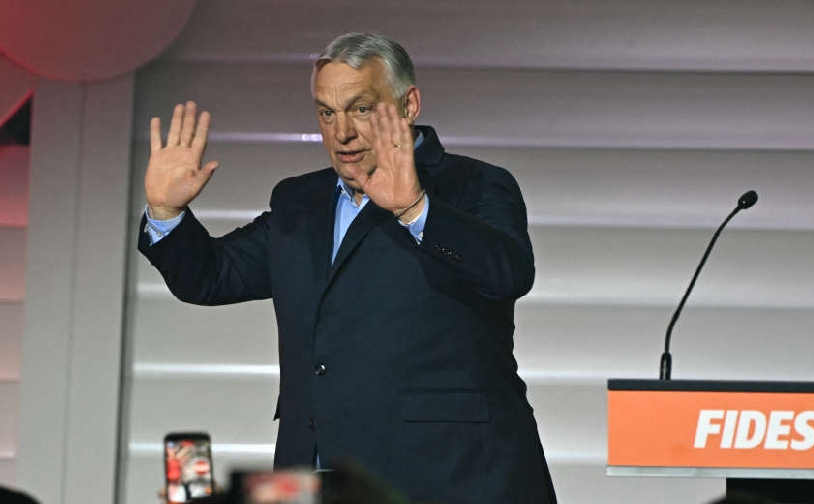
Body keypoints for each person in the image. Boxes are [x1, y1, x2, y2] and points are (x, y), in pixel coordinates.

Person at [138, 32, 557, 504]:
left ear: (408, 104)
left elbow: (509, 273)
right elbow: (211, 276)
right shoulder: (299, 203)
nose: (342, 133)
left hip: (455, 478)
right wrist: (166, 212)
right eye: (326, 113)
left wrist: (415, 207)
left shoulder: (474, 185)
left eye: (360, 109)